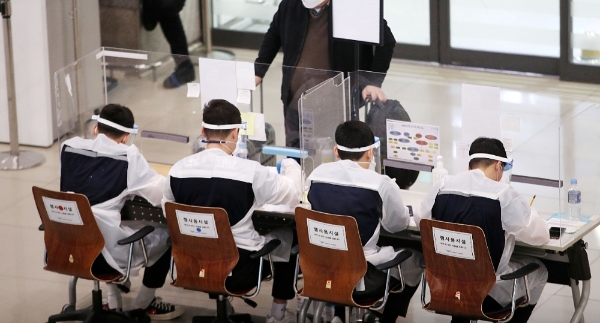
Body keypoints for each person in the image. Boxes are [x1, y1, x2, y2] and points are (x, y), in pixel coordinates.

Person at [163, 99, 303, 323]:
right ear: (236, 133)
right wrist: (291, 166)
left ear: (203, 131)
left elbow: (169, 210)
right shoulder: (249, 172)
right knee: (288, 233)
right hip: (240, 270)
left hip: (192, 265)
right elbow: (292, 194)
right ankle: (278, 314)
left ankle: (224, 305)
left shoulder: (178, 169)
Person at [254, 0, 397, 148]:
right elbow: (273, 35)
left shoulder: (352, 8)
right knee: (295, 160)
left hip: (335, 107)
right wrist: (258, 71)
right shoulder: (292, 2)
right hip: (295, 103)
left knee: (331, 159)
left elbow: (386, 42)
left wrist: (372, 81)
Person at [60, 104, 184, 320]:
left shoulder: (69, 148)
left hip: (65, 244)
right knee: (168, 231)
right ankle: (144, 303)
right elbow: (160, 195)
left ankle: (113, 299)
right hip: (104, 251)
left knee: (104, 223)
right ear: (126, 137)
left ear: (95, 129)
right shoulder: (128, 157)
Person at [415, 137, 550, 323]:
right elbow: (540, 236)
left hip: (444, 288)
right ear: (497, 166)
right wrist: (531, 213)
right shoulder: (503, 194)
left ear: (470, 165)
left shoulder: (442, 185)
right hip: (487, 294)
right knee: (541, 270)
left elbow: (420, 220)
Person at [306, 120, 423, 323]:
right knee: (414, 256)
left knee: (340, 250)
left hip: (320, 272)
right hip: (362, 278)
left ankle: (339, 316)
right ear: (370, 153)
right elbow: (397, 225)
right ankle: (385, 319)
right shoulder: (380, 184)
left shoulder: (315, 176)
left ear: (336, 151)